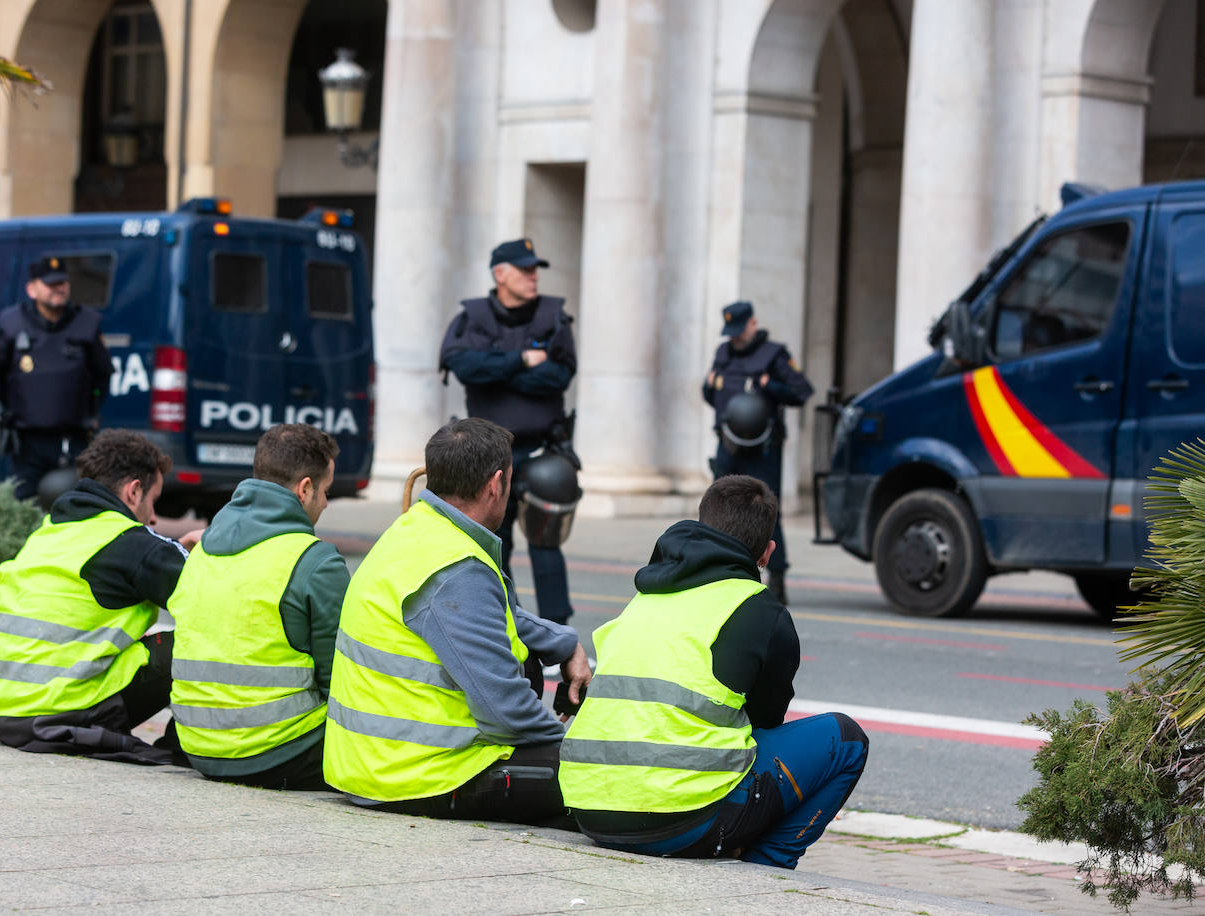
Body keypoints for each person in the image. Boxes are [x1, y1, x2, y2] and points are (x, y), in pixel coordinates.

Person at [558, 475, 869, 868]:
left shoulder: (644, 595)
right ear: (767, 552)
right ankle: (764, 866)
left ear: (701, 526)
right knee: (846, 740)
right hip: (680, 820)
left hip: (589, 811)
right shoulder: (759, 609)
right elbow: (764, 724)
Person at [324, 417, 592, 824]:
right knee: (611, 777)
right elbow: (506, 713)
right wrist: (572, 748)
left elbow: (481, 613)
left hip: (372, 765)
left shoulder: (415, 531)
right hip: (426, 775)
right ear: (495, 484)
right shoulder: (458, 568)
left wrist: (563, 642)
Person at [0, 429, 201, 764]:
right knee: (195, 640)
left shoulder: (51, 530)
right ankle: (185, 745)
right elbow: (214, 601)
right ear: (134, 491)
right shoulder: (132, 543)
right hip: (62, 712)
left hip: (0, 710)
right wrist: (210, 551)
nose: (153, 517)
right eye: (153, 500)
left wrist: (171, 553)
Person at [167, 424, 348, 790]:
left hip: (197, 744)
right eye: (326, 491)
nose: (326, 504)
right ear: (305, 488)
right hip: (281, 751)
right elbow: (343, 682)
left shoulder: (202, 551)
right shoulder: (314, 562)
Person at [439, 238, 578, 625]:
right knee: (491, 547)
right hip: (486, 452)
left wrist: (498, 374)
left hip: (541, 453)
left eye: (536, 270)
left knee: (546, 544)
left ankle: (557, 632)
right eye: (525, 269)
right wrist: (521, 360)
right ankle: (505, 628)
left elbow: (559, 376)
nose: (534, 277)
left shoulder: (553, 317)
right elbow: (464, 367)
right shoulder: (472, 318)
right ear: (500, 274)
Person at [702, 301, 813, 602]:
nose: (735, 339)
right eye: (731, 333)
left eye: (740, 331)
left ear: (753, 324)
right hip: (728, 443)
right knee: (719, 508)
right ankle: (717, 574)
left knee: (766, 511)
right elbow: (711, 393)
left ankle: (776, 579)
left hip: (763, 448)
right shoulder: (723, 353)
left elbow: (801, 392)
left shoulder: (775, 355)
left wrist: (770, 385)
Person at [0, 256, 112, 500]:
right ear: (32, 289)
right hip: (27, 441)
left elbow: (102, 375)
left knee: (76, 506)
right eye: (50, 284)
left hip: (73, 438)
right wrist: (5, 409)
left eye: (62, 282)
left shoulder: (86, 323)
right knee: (22, 505)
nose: (58, 288)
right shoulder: (13, 323)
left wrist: (92, 411)